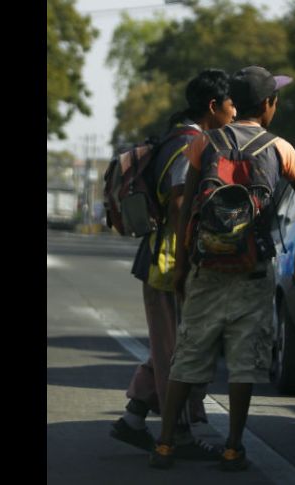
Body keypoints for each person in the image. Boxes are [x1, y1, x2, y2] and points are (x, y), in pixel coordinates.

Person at [149, 66, 295, 471]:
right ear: (267, 105)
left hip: (205, 265)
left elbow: (188, 207)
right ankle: (232, 448)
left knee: (189, 354)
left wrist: (180, 266)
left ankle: (164, 445)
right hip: (252, 268)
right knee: (244, 361)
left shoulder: (205, 143)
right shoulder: (279, 148)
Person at [110, 68, 237, 460]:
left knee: (172, 346)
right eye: (231, 104)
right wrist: (185, 265)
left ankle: (133, 420)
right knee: (179, 352)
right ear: (213, 107)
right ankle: (177, 435)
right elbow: (181, 202)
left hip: (163, 257)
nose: (235, 112)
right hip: (169, 262)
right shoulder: (190, 143)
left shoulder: (181, 136)